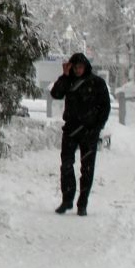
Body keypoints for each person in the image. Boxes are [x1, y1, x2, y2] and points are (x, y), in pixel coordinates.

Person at [50, 52, 111, 215]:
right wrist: (64, 75)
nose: (77, 70)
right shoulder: (68, 81)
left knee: (87, 169)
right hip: (71, 130)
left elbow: (105, 107)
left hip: (89, 132)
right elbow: (56, 94)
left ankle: (82, 203)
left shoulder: (97, 83)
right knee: (67, 165)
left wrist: (97, 127)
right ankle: (67, 200)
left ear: (86, 67)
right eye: (75, 67)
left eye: (80, 67)